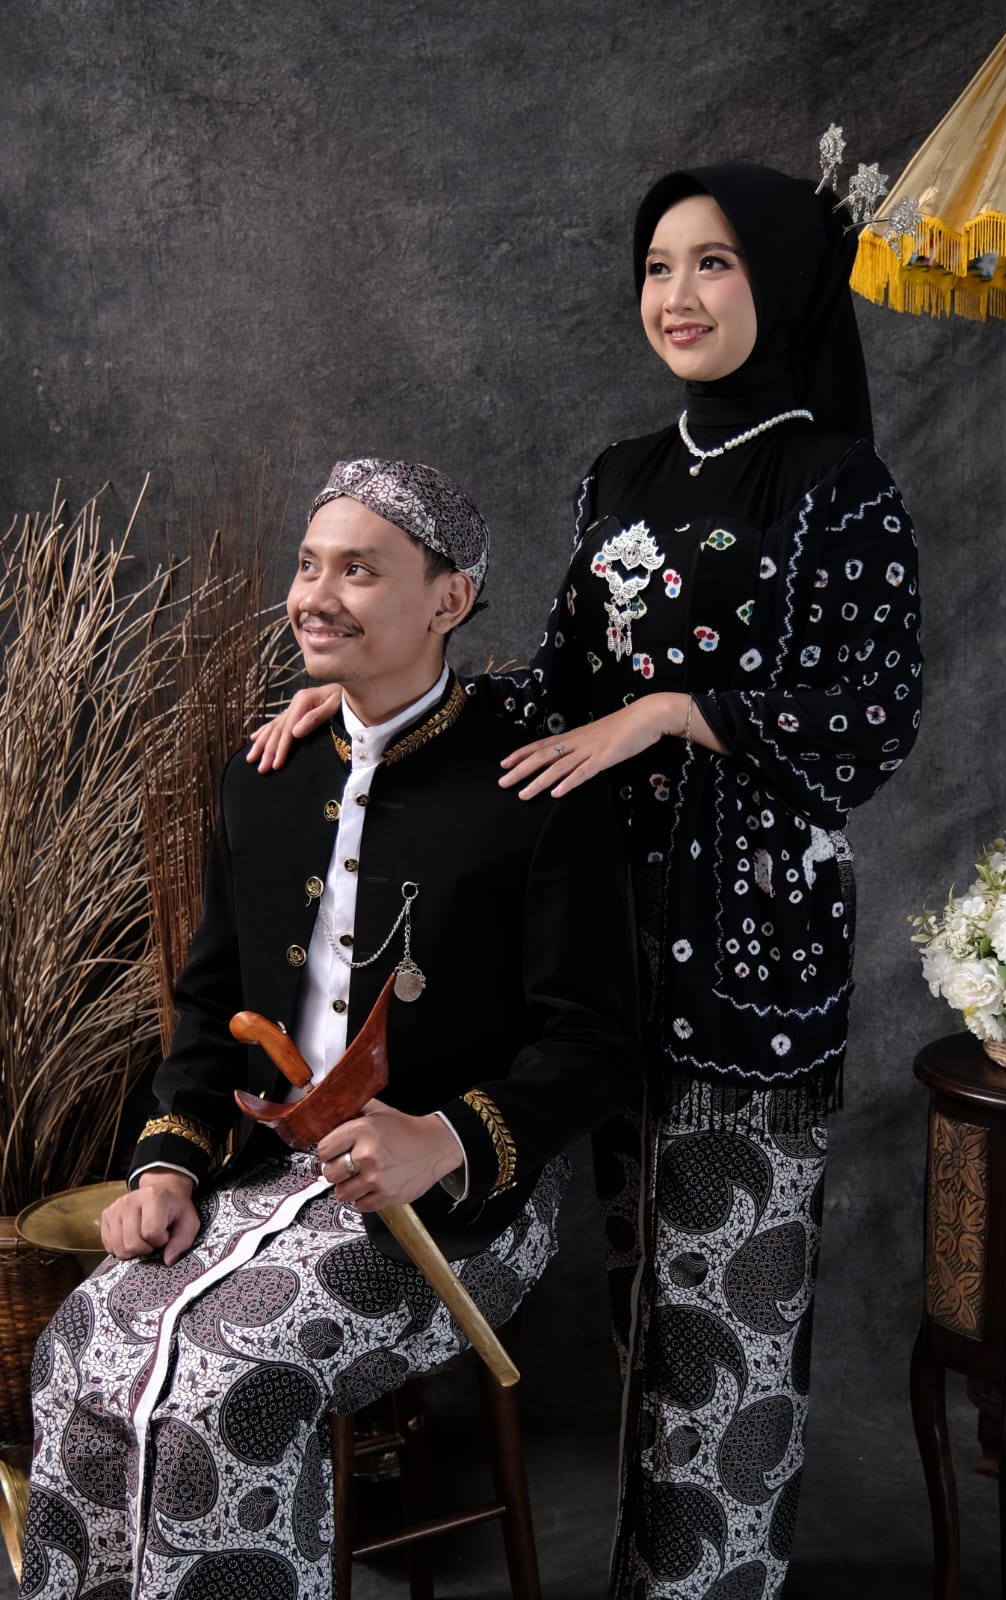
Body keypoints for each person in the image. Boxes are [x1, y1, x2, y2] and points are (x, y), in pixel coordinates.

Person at [250, 165, 922, 1599]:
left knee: (728, 1325)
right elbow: (549, 691)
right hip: (612, 941)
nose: (676, 295)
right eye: (657, 266)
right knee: (642, 1313)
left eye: (714, 264)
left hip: (749, 955)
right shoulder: (620, 477)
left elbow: (872, 714)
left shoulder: (834, 485)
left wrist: (674, 712)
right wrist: (374, 691)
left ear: (783, 281)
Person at [20, 458, 640, 1600]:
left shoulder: (535, 787)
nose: (315, 595)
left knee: (219, 1392)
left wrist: (440, 1139)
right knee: (75, 1354)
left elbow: (597, 1047)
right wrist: (166, 1168)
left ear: (449, 599)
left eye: (359, 570)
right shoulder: (263, 775)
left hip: (463, 1209)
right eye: (309, 566)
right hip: (267, 1177)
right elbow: (208, 1007)